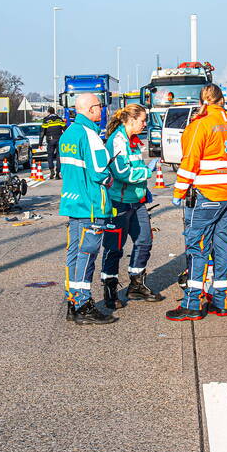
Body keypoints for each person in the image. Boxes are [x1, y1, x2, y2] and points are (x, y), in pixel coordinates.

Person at [168, 84, 227, 321]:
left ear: (202, 100)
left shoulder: (199, 125)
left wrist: (179, 191)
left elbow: (189, 160)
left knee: (197, 248)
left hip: (206, 195)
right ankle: (221, 301)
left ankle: (192, 303)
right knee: (223, 246)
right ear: (222, 100)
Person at [59, 93, 117, 325]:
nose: (102, 110)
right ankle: (83, 304)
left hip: (74, 203)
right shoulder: (90, 134)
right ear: (92, 109)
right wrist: (110, 179)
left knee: (74, 255)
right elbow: (99, 172)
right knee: (87, 256)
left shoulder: (68, 134)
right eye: (100, 106)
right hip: (92, 206)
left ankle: (73, 300)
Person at [99, 104, 164, 308]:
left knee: (144, 240)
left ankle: (136, 285)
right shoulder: (117, 141)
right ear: (130, 120)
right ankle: (110, 291)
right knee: (114, 248)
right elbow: (122, 173)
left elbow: (134, 167)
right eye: (143, 120)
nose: (145, 124)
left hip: (137, 201)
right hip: (118, 202)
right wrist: (146, 173)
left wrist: (144, 188)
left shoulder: (133, 141)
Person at [40, 107, 67, 179]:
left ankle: (52, 171)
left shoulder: (46, 120)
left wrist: (40, 143)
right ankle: (58, 173)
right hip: (59, 139)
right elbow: (65, 129)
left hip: (50, 140)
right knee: (59, 156)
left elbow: (42, 132)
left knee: (50, 156)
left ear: (48, 112)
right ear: (54, 111)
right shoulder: (59, 119)